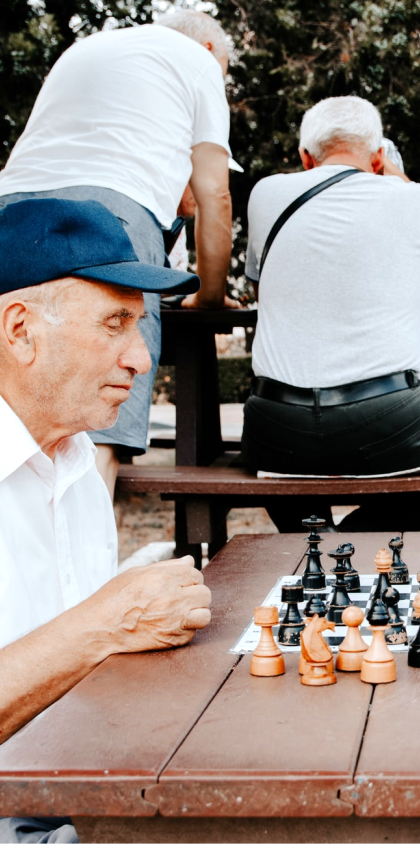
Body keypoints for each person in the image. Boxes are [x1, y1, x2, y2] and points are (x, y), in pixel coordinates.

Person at [0, 198, 213, 843]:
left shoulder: (75, 461)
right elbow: (91, 635)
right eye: (115, 323)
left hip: (84, 800)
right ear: (20, 330)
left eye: (139, 326)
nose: (141, 361)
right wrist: (108, 622)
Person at [0, 9, 238, 499]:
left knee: (15, 408)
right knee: (102, 406)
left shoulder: (90, 47)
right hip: (111, 213)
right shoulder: (199, 60)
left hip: (11, 207)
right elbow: (214, 193)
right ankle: (92, 569)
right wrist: (210, 297)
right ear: (213, 52)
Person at [242, 96, 420, 531]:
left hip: (274, 424)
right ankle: (346, 544)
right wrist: (403, 181)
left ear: (304, 157)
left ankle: (311, 537)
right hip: (388, 418)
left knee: (277, 454)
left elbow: (263, 285)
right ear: (378, 158)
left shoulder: (265, 194)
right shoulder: (416, 199)